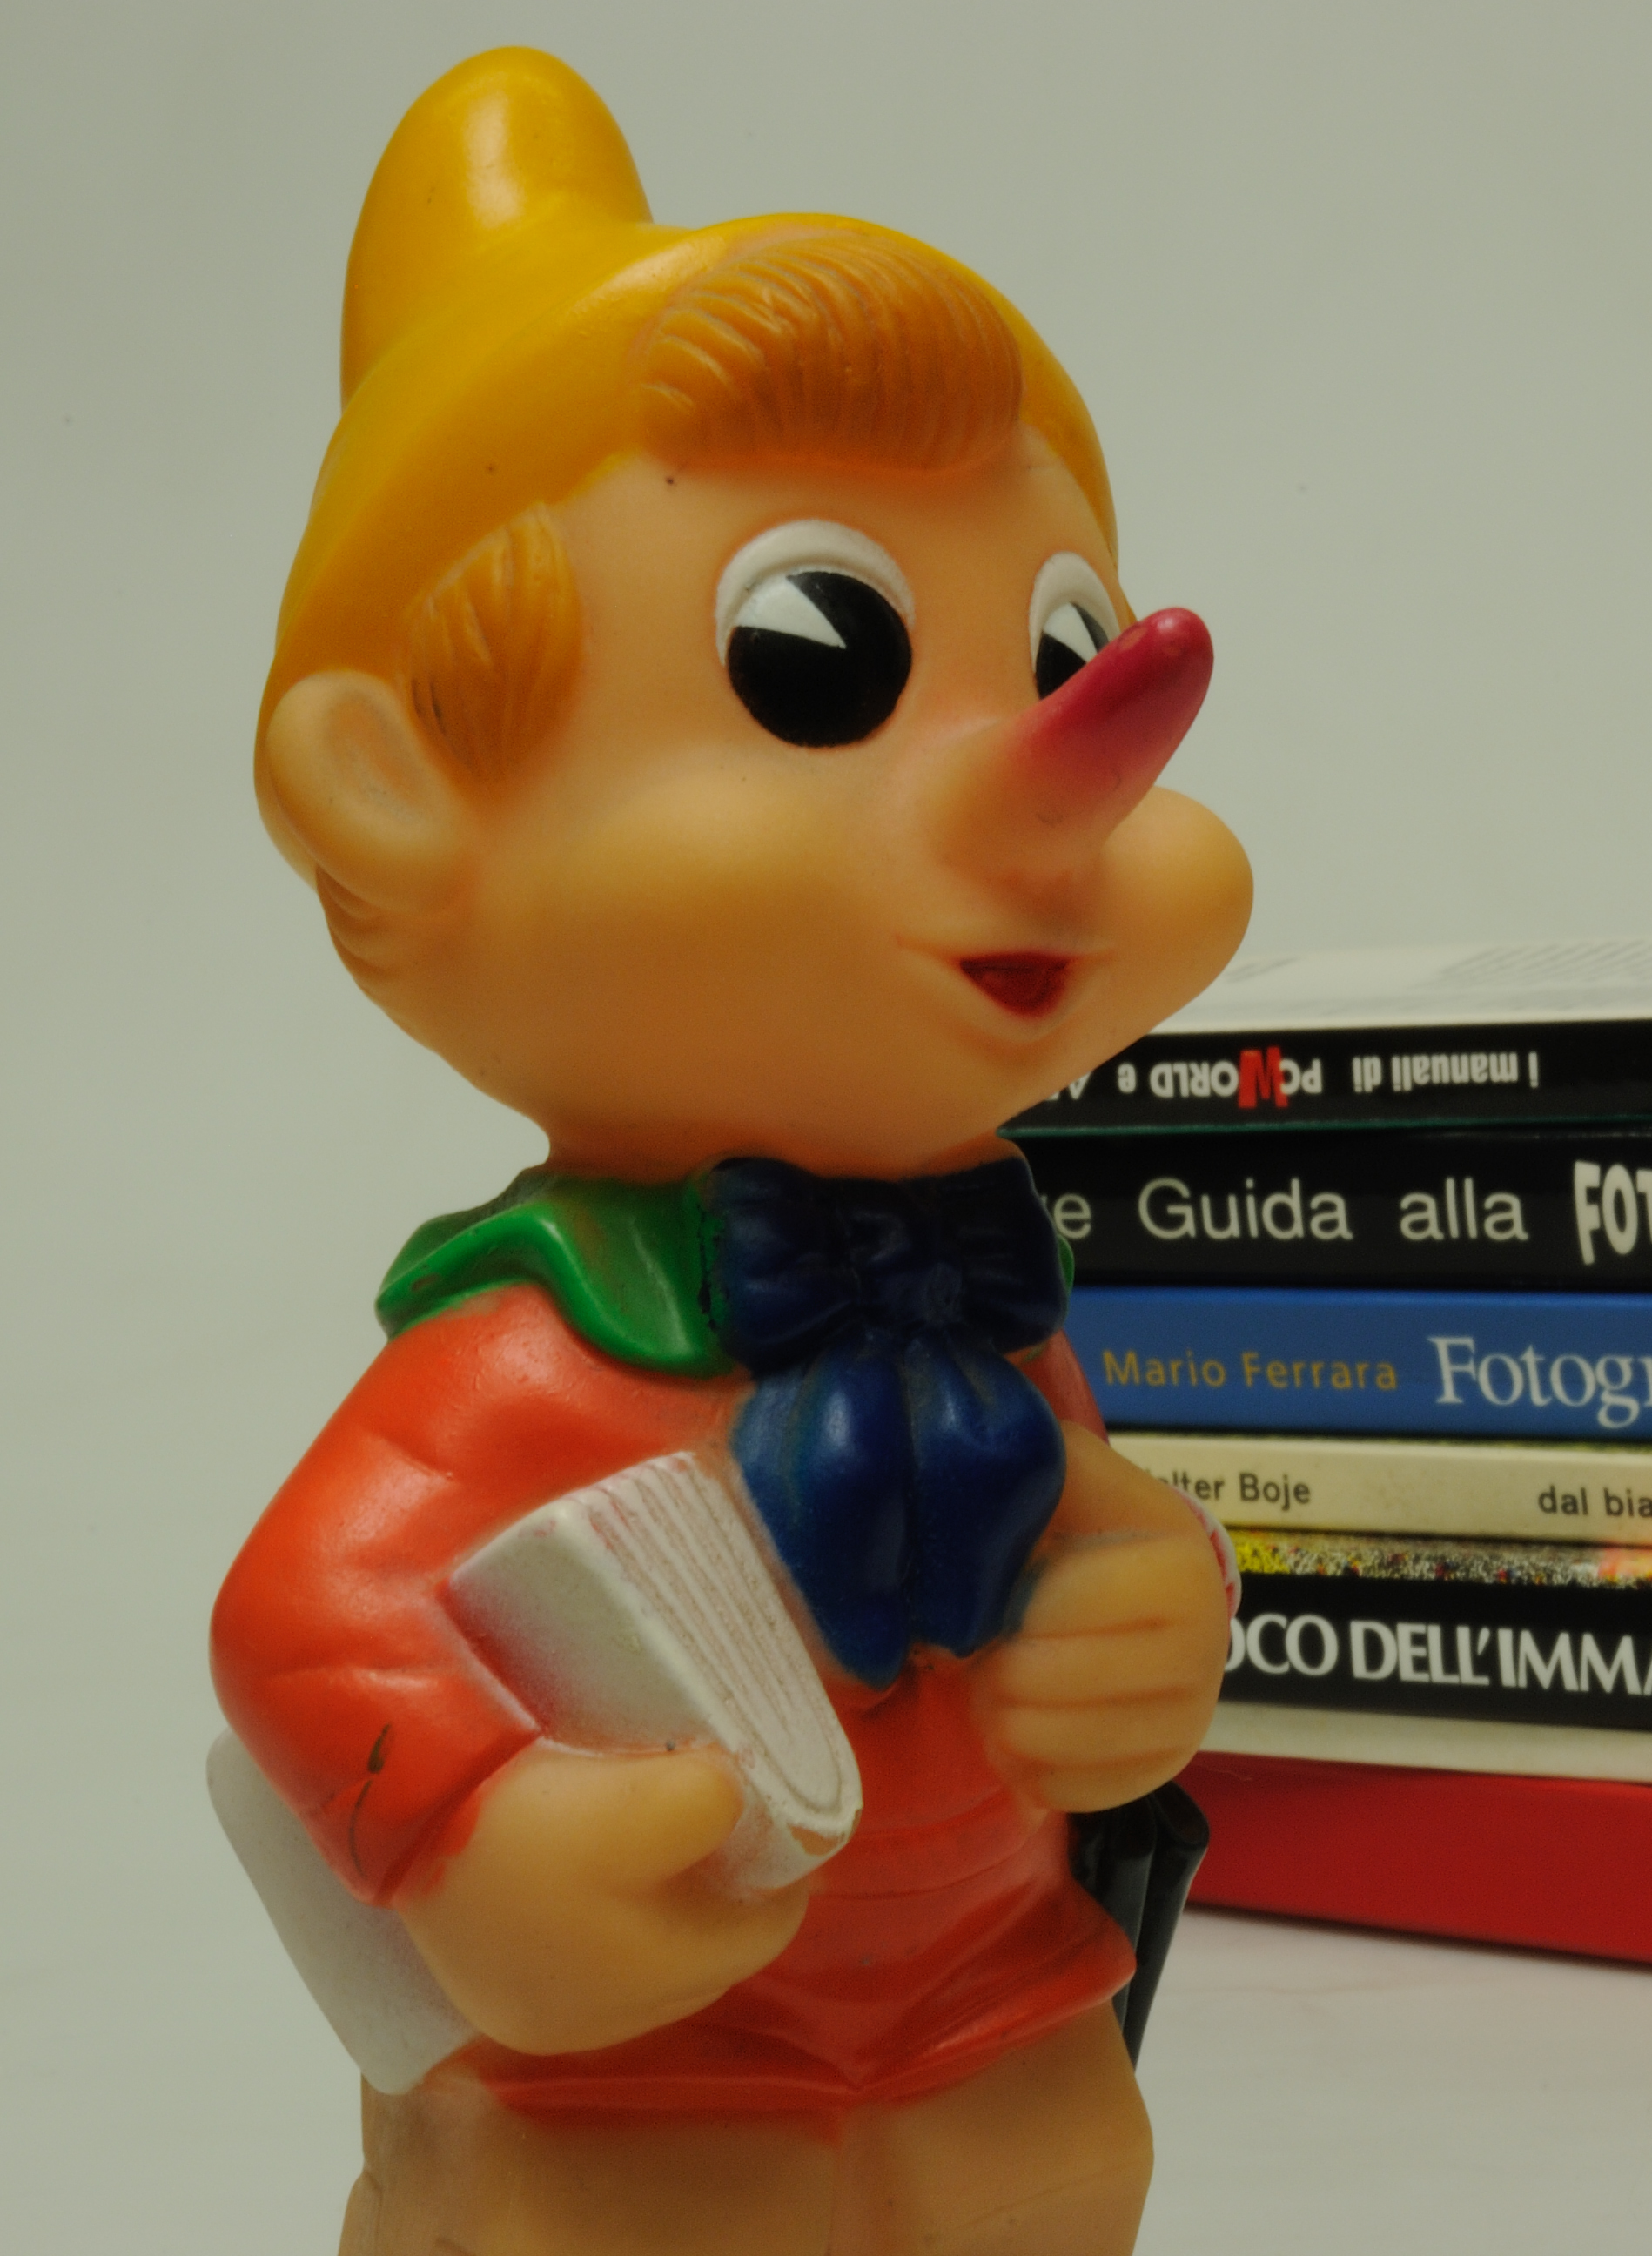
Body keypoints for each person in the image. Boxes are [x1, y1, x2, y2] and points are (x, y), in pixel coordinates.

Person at [210, 48, 1251, 2254]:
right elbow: (305, 1623)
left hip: (991, 1998)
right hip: (643, 2069)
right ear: (387, 791)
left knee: (1051, 2192)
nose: (1054, 779)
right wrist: (479, 1842)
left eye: (1056, 640)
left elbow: (1082, 1506)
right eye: (820, 660)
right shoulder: (534, 1351)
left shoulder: (978, 1280)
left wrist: (1151, 1604)